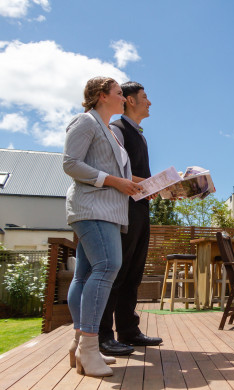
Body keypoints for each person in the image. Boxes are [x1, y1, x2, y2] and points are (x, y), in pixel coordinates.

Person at [63, 77, 143, 377]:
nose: (124, 99)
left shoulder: (109, 131)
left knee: (84, 274)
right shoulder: (85, 122)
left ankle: (79, 344)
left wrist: (150, 184)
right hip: (93, 208)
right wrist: (114, 182)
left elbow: (120, 174)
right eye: (120, 93)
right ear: (101, 96)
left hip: (108, 210)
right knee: (109, 265)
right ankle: (90, 346)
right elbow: (70, 163)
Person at [99, 81, 162, 356]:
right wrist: (153, 183)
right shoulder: (117, 131)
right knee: (117, 273)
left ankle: (129, 330)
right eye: (145, 97)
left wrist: (160, 188)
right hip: (122, 211)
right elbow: (116, 170)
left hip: (140, 210)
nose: (150, 102)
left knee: (134, 273)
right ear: (131, 101)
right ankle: (103, 336)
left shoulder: (141, 135)